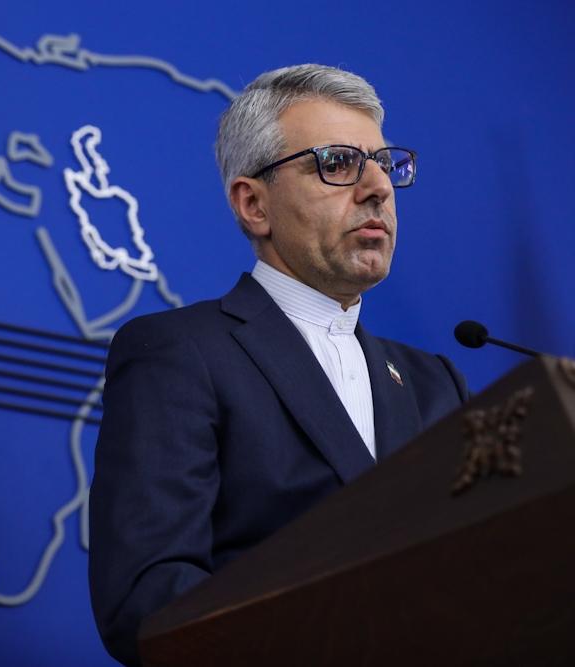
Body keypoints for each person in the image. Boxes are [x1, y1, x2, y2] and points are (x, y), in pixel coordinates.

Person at [88, 64, 468, 666]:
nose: (378, 188)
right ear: (254, 204)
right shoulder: (180, 353)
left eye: (384, 164)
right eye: (338, 163)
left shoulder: (435, 385)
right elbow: (149, 599)